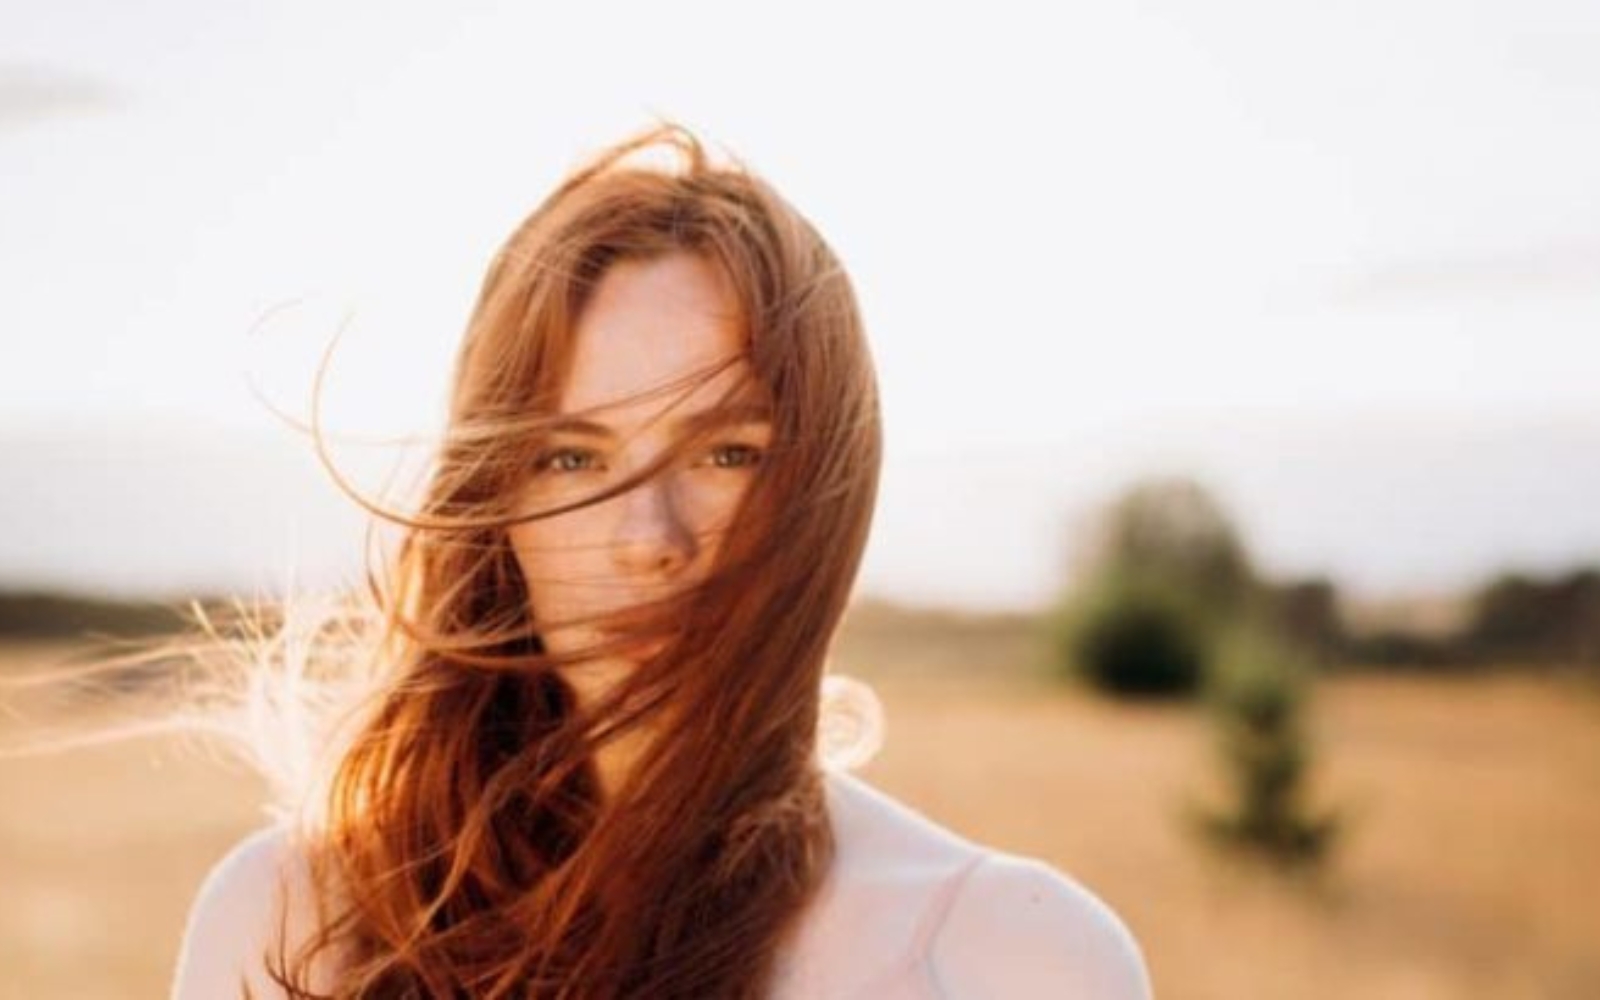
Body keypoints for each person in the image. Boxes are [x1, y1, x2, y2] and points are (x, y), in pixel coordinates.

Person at [168, 124, 1155, 999]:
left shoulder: (1013, 960)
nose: (648, 536)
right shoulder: (289, 925)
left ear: (828, 485)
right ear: (494, 501)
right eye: (571, 457)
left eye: (726, 453)